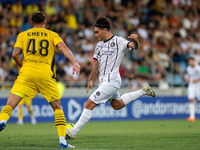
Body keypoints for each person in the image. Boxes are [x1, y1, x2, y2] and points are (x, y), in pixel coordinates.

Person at [66, 16, 155, 139]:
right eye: (94, 32)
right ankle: (143, 91)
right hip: (104, 82)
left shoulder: (119, 41)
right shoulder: (99, 45)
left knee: (89, 104)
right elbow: (96, 64)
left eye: (97, 32)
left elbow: (134, 46)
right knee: (117, 105)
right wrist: (90, 79)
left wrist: (136, 41)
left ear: (105, 30)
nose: (95, 35)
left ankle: (73, 132)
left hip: (112, 81)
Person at [0, 11, 80, 149]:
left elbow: (14, 54)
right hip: (44, 74)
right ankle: (62, 142)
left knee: (10, 104)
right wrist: (74, 62)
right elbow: (63, 47)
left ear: (31, 23)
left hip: (26, 74)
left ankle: (2, 120)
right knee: (57, 107)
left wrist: (23, 66)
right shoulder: (51, 34)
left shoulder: (23, 35)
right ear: (45, 22)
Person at [185, 57, 200, 122]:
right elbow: (188, 75)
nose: (190, 62)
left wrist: (196, 80)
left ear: (194, 61)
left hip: (198, 85)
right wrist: (188, 79)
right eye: (189, 61)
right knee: (191, 99)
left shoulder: (198, 68)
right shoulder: (188, 68)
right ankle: (192, 116)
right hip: (191, 85)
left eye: (191, 61)